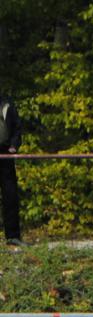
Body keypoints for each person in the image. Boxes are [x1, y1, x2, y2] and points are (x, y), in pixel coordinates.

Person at [0, 94, 24, 247]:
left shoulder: (7, 104)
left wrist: (14, 145)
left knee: (10, 196)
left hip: (5, 153)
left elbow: (17, 128)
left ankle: (13, 236)